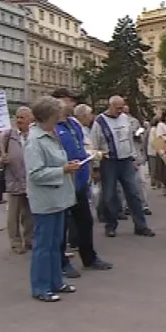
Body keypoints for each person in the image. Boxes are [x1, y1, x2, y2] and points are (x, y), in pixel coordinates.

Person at [51, 88, 113, 275]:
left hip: (78, 182)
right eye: (69, 100)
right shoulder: (50, 126)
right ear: (58, 102)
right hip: (61, 182)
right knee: (61, 226)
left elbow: (84, 145)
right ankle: (61, 263)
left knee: (85, 221)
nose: (73, 103)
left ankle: (89, 257)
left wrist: (93, 155)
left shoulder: (73, 123)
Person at [23, 96, 79, 302]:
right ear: (48, 116)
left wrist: (66, 166)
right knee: (43, 246)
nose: (60, 118)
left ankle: (56, 281)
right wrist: (63, 169)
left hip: (59, 197)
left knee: (56, 244)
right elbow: (35, 173)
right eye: (57, 115)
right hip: (45, 200)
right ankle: (40, 286)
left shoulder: (50, 134)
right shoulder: (34, 141)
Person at [91, 96, 155, 238]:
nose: (120, 111)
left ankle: (141, 225)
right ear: (111, 106)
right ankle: (111, 225)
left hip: (126, 160)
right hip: (109, 161)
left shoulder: (125, 118)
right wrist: (96, 167)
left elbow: (129, 139)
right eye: (117, 108)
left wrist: (134, 157)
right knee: (110, 195)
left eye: (122, 108)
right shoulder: (100, 121)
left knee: (133, 193)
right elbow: (94, 144)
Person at [0, 106, 34, 254]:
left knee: (29, 213)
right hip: (14, 180)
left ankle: (30, 239)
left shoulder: (34, 135)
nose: (19, 120)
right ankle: (16, 242)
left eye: (22, 117)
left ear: (31, 119)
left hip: (31, 180)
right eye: (17, 117)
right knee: (13, 214)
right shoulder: (7, 136)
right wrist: (1, 160)